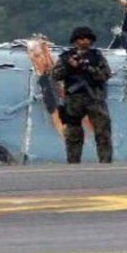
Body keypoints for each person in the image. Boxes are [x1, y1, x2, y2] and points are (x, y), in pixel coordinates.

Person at [50, 26, 113, 164]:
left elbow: (105, 75)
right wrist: (69, 66)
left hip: (95, 99)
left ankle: (105, 163)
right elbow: (55, 75)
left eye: (87, 38)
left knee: (103, 133)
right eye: (80, 38)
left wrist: (86, 67)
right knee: (73, 135)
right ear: (75, 40)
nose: (84, 41)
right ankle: (73, 164)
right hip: (74, 100)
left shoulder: (97, 56)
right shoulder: (66, 57)